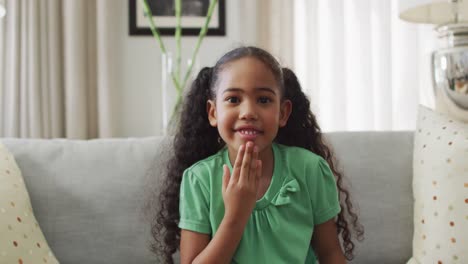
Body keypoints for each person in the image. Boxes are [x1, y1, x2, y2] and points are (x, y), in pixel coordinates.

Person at [150, 46, 364, 263]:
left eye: (263, 100)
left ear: (282, 113)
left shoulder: (311, 169)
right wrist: (236, 214)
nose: (248, 112)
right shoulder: (199, 180)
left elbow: (330, 254)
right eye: (234, 99)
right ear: (213, 113)